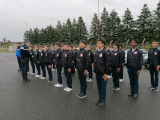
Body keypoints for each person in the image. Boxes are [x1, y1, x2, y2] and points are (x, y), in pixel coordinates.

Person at [94, 37, 109, 107]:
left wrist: (106, 73)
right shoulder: (96, 51)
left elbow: (107, 63)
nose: (97, 44)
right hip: (97, 72)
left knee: (103, 87)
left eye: (99, 43)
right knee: (99, 87)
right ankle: (100, 99)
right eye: (97, 43)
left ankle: (103, 100)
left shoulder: (105, 52)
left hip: (103, 73)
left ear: (103, 44)